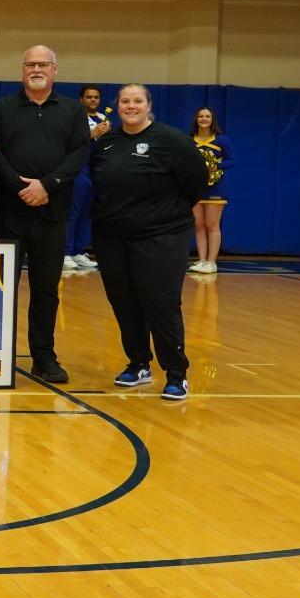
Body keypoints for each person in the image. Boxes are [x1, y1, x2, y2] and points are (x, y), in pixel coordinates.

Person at [90, 84, 209, 401]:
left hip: (161, 236)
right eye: (125, 101)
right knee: (124, 302)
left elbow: (196, 180)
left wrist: (163, 212)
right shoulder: (105, 144)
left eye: (137, 101)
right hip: (112, 236)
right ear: (117, 106)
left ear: (148, 105)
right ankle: (139, 364)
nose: (131, 106)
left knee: (161, 302)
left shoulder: (171, 140)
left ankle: (176, 374)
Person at [0, 45, 91, 384]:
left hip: (53, 213)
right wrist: (21, 186)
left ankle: (44, 357)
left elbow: (79, 154)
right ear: (22, 70)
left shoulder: (72, 111)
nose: (36, 69)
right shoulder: (2, 108)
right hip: (9, 215)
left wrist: (47, 185)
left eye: (43, 64)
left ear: (55, 69)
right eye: (30, 64)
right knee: (0, 290)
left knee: (46, 290)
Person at [64, 84, 110, 271]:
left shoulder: (103, 119)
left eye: (96, 97)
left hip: (96, 168)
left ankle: (77, 251)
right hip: (79, 168)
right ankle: (65, 253)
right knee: (73, 212)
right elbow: (69, 143)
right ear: (81, 99)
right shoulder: (73, 117)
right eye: (89, 97)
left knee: (87, 213)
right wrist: (93, 134)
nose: (93, 100)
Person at [189, 106, 235, 274]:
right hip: (195, 187)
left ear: (212, 119)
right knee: (199, 225)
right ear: (196, 119)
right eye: (200, 116)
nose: (204, 119)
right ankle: (201, 260)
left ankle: (212, 262)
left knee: (212, 225)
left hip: (215, 187)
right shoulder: (190, 139)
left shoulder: (221, 139)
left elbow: (231, 160)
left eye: (207, 116)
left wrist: (216, 166)